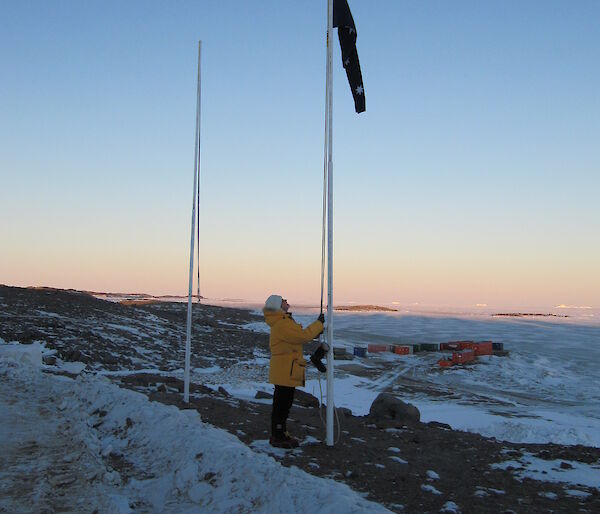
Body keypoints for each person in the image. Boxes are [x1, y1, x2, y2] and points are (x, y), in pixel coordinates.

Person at [263, 294, 327, 448]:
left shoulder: (283, 321)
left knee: (283, 404)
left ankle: (280, 434)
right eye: (283, 300)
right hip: (285, 369)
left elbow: (297, 338)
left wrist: (316, 329)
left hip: (286, 368)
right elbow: (301, 336)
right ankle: (278, 436)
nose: (286, 301)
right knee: (282, 405)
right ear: (278, 305)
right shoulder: (281, 323)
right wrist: (318, 324)